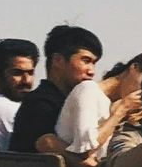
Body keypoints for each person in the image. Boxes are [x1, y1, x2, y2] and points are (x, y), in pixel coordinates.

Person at [11, 24, 104, 159]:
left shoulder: (69, 100)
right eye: (85, 61)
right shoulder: (41, 104)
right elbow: (79, 159)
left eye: (93, 63)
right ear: (58, 60)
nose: (91, 71)